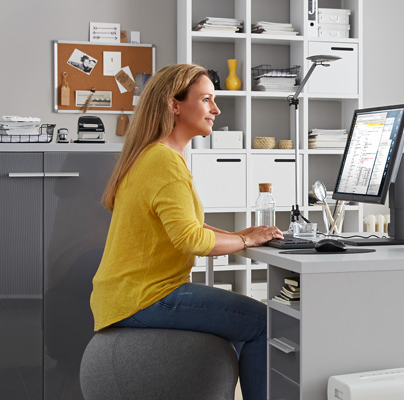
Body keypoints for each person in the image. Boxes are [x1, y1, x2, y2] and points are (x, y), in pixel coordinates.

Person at [90, 63, 283, 400]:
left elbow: (184, 227)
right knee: (265, 322)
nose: (216, 109)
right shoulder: (164, 161)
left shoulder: (151, 156)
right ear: (175, 105)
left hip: (126, 295)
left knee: (244, 319)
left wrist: (241, 235)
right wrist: (243, 240)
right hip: (145, 298)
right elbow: (190, 240)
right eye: (206, 99)